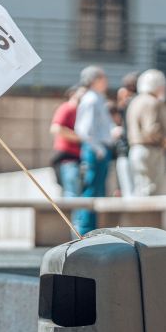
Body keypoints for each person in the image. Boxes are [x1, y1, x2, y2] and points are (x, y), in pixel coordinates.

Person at [74, 66, 117, 235]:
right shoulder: (91, 100)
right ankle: (85, 230)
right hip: (95, 151)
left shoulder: (97, 99)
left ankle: (91, 230)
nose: (106, 81)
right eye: (103, 77)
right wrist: (99, 149)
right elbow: (83, 130)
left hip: (98, 149)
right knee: (91, 190)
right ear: (95, 80)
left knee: (97, 191)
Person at [126, 69, 166, 196]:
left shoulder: (135, 101)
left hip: (135, 148)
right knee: (151, 190)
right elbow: (151, 129)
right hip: (150, 150)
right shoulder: (152, 102)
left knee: (140, 188)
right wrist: (165, 140)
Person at [49, 86, 85, 197]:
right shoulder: (67, 108)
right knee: (72, 193)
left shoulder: (80, 111)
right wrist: (79, 137)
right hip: (68, 158)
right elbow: (56, 128)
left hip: (76, 158)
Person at [114, 71, 139, 197]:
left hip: (126, 150)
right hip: (131, 149)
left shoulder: (129, 103)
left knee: (129, 191)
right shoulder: (135, 102)